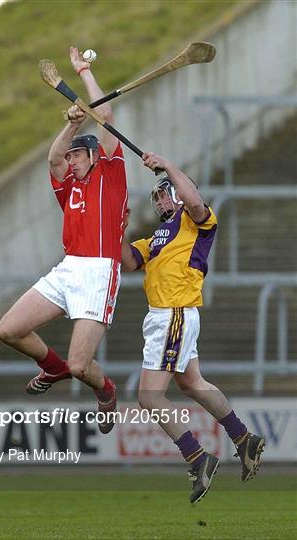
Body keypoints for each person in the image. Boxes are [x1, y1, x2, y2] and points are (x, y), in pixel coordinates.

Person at [0, 47, 128, 434]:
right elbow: (52, 160)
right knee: (7, 331)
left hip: (99, 272)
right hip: (68, 269)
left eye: (76, 155)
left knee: (80, 367)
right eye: (70, 156)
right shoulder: (68, 188)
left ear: (93, 156)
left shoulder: (111, 175)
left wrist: (84, 72)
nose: (69, 161)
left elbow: (104, 117)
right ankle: (50, 367)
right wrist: (70, 125)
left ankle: (105, 390)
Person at [121, 151, 265, 503]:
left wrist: (169, 164)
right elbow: (127, 260)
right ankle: (244, 438)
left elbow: (196, 201)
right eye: (156, 196)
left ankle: (197, 457)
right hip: (166, 316)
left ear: (181, 190)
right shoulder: (157, 237)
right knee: (192, 383)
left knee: (149, 396)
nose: (159, 200)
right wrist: (115, 226)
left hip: (174, 313)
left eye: (164, 192)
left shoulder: (198, 220)